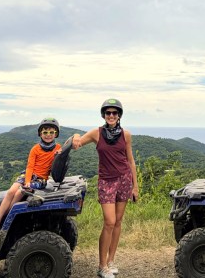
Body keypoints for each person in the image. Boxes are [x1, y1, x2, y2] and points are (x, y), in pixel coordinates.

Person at [71, 99, 139, 278]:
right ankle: (102, 266)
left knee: (117, 222)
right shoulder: (97, 133)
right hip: (106, 182)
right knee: (109, 222)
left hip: (124, 180)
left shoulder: (126, 135)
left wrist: (135, 186)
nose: (111, 116)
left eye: (114, 113)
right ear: (103, 115)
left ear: (119, 116)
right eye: (108, 113)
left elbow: (131, 161)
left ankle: (111, 261)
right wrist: (76, 135)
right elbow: (77, 145)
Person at [0, 117, 62, 237]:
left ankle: (1, 220)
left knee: (19, 193)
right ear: (40, 134)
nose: (48, 135)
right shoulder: (35, 149)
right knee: (11, 191)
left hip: (41, 179)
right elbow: (30, 167)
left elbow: (62, 156)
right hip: (28, 175)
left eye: (51, 132)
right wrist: (27, 181)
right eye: (45, 132)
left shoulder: (58, 148)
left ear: (56, 133)